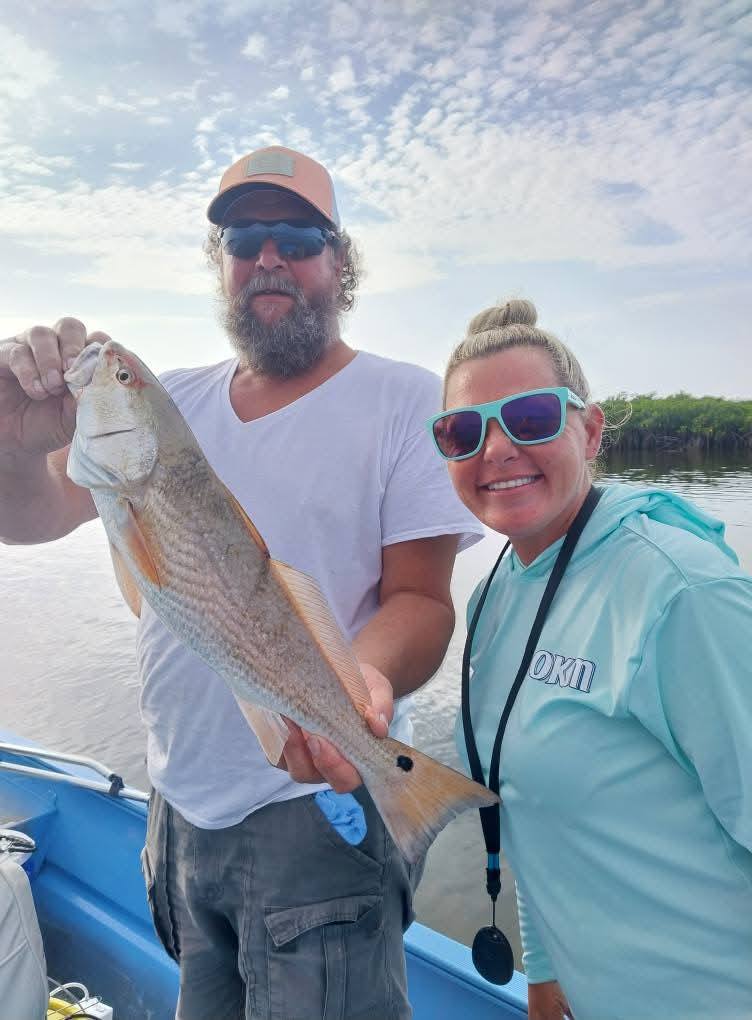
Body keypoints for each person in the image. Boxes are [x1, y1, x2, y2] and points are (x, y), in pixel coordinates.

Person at [0, 145, 483, 1020]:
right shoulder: (170, 402)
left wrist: (361, 690)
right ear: (219, 262)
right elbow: (27, 515)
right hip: (177, 806)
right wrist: (9, 438)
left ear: (341, 262)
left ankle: (406, 792)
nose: (268, 257)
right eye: (243, 238)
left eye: (297, 239)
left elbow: (420, 598)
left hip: (321, 806)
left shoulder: (405, 399)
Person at [423, 297, 752, 1020]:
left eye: (532, 417)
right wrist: (543, 969)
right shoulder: (497, 594)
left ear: (591, 430)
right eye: (463, 431)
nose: (496, 449)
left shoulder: (683, 594)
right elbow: (528, 804)